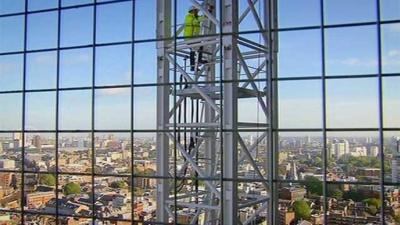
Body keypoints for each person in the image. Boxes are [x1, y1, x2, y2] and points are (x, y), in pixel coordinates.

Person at [184, 5, 214, 71]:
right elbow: (196, 20)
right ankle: (193, 65)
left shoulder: (195, 17)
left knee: (199, 47)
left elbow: (204, 18)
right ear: (192, 11)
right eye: (196, 11)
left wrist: (209, 11)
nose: (197, 12)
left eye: (197, 11)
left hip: (194, 38)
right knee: (193, 50)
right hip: (189, 38)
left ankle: (196, 63)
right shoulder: (189, 17)